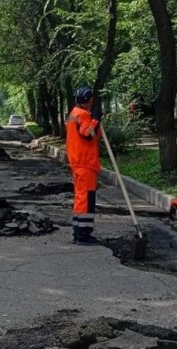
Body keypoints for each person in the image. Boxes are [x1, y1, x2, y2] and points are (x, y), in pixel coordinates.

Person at [67, 86, 102, 245]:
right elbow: (88, 134)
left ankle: (78, 231)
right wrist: (96, 121)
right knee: (86, 199)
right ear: (88, 100)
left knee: (80, 198)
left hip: (78, 162)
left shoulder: (74, 113)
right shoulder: (82, 114)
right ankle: (83, 235)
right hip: (85, 163)